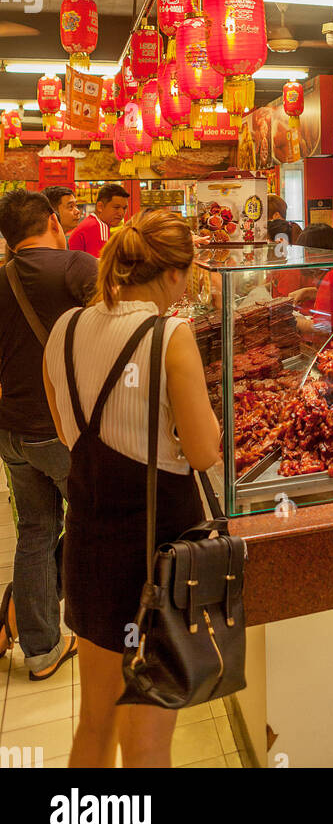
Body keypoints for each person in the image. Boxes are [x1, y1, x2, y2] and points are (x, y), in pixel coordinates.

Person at [42, 209, 220, 769]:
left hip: (91, 547)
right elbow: (204, 452)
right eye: (188, 272)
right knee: (147, 742)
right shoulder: (169, 336)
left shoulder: (64, 329)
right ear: (172, 274)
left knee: (94, 722)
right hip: (156, 559)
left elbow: (67, 429)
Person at [0, 190, 97, 678]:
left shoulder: (0, 279)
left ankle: (40, 649)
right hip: (60, 428)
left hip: (12, 430)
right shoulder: (77, 267)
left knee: (35, 532)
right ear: (54, 223)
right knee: (93, 518)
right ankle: (105, 629)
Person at [68, 182, 130, 258]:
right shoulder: (99, 226)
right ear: (100, 207)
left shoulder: (93, 222)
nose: (121, 213)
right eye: (116, 207)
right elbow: (100, 265)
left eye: (124, 208)